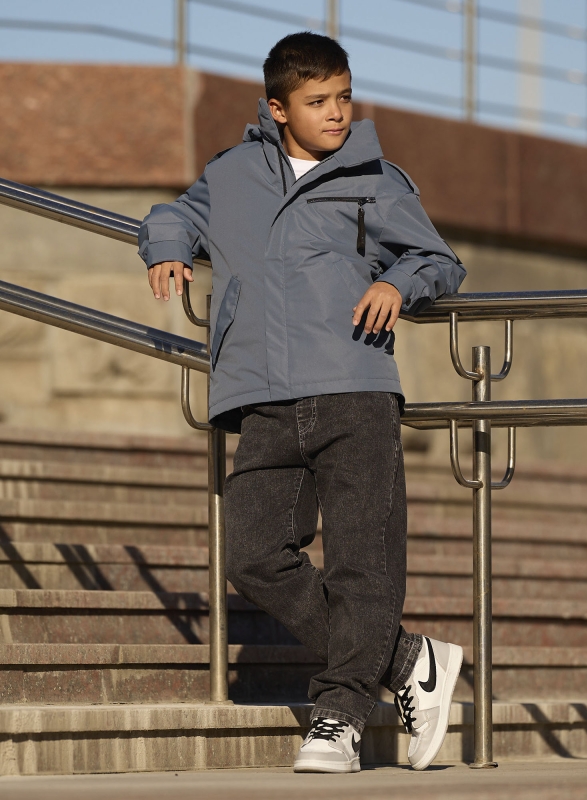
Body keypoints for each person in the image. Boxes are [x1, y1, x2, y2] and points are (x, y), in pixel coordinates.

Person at [138, 31, 466, 774]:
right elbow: (175, 214)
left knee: (362, 563)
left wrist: (397, 283)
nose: (337, 113)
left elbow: (438, 259)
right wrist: (166, 245)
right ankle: (408, 659)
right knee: (252, 555)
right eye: (318, 101)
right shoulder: (231, 174)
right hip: (262, 394)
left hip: (354, 386)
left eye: (344, 97)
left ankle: (339, 716)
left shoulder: (377, 178)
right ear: (279, 108)